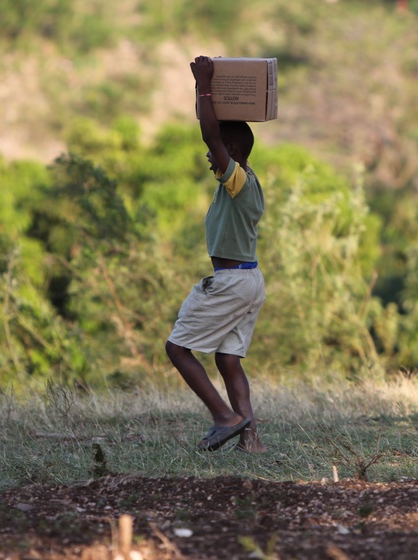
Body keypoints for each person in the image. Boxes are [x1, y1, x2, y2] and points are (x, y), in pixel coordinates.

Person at [165, 55, 267, 453]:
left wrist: (205, 85)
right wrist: (199, 90)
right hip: (249, 280)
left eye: (218, 150)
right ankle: (252, 439)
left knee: (176, 348)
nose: (210, 155)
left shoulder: (238, 178)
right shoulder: (241, 183)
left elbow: (210, 136)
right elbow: (211, 134)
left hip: (232, 282)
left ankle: (225, 417)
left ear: (234, 149)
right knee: (227, 359)